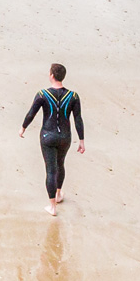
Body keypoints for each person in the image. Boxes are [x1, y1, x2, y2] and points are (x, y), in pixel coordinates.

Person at [19, 63, 84, 215]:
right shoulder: (73, 96)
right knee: (60, 164)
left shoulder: (42, 94)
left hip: (47, 136)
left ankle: (52, 207)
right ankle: (58, 194)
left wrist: (23, 127)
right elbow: (78, 119)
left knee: (50, 170)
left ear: (52, 76)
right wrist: (81, 140)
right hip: (65, 137)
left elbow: (31, 113)